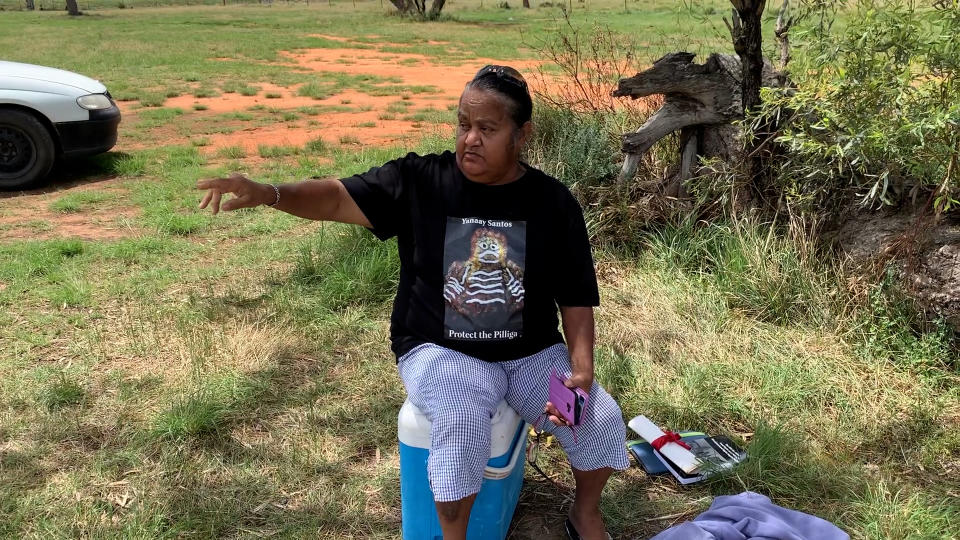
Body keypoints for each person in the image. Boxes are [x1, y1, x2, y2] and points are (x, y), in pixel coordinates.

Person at [197, 65, 629, 540]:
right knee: (462, 420)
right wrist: (269, 193)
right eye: (464, 125)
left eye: (487, 129)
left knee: (597, 417)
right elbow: (336, 198)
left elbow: (576, 295)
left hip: (530, 354)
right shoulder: (422, 180)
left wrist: (581, 371)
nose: (470, 140)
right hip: (439, 350)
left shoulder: (552, 202)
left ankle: (585, 513)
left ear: (522, 133)